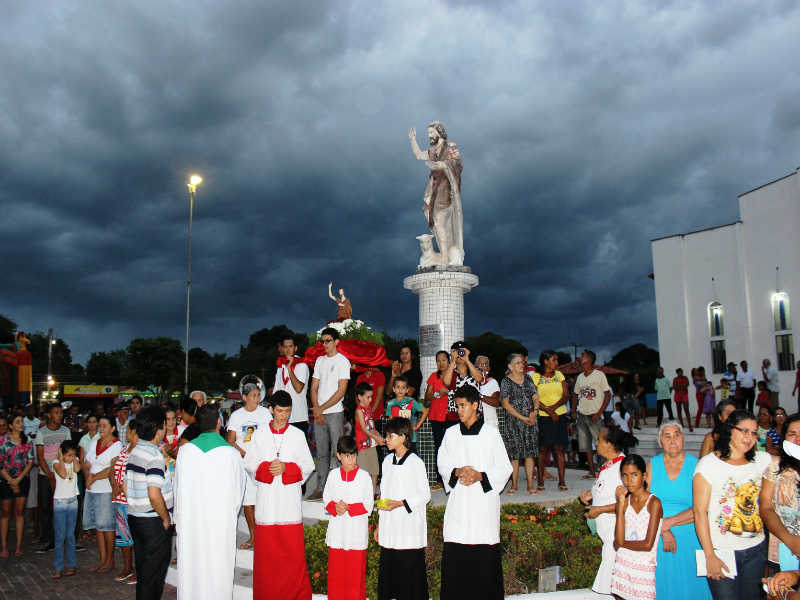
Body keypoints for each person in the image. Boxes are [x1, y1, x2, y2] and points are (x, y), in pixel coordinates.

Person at [437, 385, 512, 600]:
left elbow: (504, 467)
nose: (459, 410)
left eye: (463, 405)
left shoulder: (491, 433)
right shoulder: (450, 434)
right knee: (456, 558)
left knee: (484, 562)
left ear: (475, 406)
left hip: (482, 503)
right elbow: (442, 463)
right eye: (457, 405)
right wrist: (457, 471)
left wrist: (480, 476)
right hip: (460, 503)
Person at [693, 409, 772, 599]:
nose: (749, 437)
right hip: (722, 551)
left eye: (754, 433)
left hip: (756, 549)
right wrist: (710, 555)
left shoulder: (761, 461)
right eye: (744, 430)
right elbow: (699, 512)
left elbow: (787, 461)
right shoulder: (708, 465)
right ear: (730, 430)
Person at [244, 391, 315, 600]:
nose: (284, 416)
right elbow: (249, 464)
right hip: (267, 504)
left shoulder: (297, 435)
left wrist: (286, 468)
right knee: (268, 558)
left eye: (288, 411)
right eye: (280, 411)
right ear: (271, 410)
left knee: (292, 557)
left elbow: (308, 466)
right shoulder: (259, 435)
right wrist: (266, 468)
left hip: (289, 504)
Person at [176, 404, 246, 600]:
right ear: (219, 422)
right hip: (219, 523)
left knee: (192, 568)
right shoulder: (231, 454)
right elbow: (237, 494)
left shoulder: (185, 452)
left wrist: (180, 518)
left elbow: (178, 489)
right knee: (217, 569)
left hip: (192, 522)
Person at [647, 422, 711, 600]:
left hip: (690, 537)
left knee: (690, 588)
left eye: (677, 435)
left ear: (683, 439)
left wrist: (669, 523)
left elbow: (702, 508)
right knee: (663, 586)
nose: (673, 440)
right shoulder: (652, 464)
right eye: (667, 436)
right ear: (660, 442)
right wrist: (663, 529)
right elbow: (645, 502)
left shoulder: (697, 465)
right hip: (658, 536)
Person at [375, 417, 430, 600]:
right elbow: (383, 494)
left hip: (408, 529)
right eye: (387, 435)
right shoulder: (387, 461)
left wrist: (400, 503)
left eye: (391, 436)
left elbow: (425, 495)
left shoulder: (415, 462)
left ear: (403, 437)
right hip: (390, 528)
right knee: (389, 578)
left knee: (410, 580)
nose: (387, 439)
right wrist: (379, 524)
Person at [579, 424, 635, 595]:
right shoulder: (607, 467)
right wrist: (589, 496)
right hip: (607, 536)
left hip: (616, 537)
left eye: (599, 440)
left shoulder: (623, 468)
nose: (596, 443)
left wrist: (600, 510)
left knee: (609, 586)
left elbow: (629, 503)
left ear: (610, 444)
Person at [125, 405, 173, 600]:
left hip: (136, 516)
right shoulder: (154, 456)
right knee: (154, 574)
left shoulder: (136, 451)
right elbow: (154, 494)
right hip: (152, 520)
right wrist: (165, 518)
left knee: (145, 572)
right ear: (158, 428)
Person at [323, 435, 374, 600]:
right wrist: (335, 507)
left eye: (353, 455)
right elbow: (326, 498)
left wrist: (349, 507)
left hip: (356, 534)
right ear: (338, 456)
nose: (350, 459)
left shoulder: (364, 477)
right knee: (336, 577)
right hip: (338, 533)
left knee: (355, 577)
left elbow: (368, 505)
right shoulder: (333, 475)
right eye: (346, 455)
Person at [226, 376, 272, 549]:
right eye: (253, 395)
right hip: (244, 465)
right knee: (248, 503)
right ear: (244, 397)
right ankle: (253, 536)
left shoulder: (265, 413)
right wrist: (245, 454)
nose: (257, 399)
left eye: (258, 395)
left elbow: (271, 435)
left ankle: (265, 534)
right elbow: (230, 440)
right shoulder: (237, 416)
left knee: (264, 500)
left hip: (262, 463)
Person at [610, 454, 663, 599]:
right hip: (623, 565)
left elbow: (647, 544)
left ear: (644, 476)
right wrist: (620, 505)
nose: (629, 480)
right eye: (625, 476)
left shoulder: (654, 503)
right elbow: (617, 541)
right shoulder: (625, 502)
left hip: (643, 568)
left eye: (634, 475)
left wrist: (622, 543)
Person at [308, 327, 351, 501]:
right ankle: (320, 487)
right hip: (320, 413)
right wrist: (316, 408)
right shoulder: (319, 361)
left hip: (334, 413)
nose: (325, 344)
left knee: (337, 451)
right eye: (323, 341)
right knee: (322, 452)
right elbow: (313, 387)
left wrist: (321, 408)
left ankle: (339, 488)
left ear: (336, 342)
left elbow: (341, 391)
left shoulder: (342, 362)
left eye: (328, 341)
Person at [760, 413, 800, 576]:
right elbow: (766, 508)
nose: (798, 439)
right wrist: (790, 540)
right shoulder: (774, 469)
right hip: (783, 549)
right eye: (792, 434)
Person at [83, 414, 122, 573]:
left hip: (105, 489)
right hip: (93, 488)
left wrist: (93, 477)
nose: (101, 429)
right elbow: (87, 462)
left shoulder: (117, 445)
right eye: (100, 426)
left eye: (105, 426)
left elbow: (112, 469)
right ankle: (102, 558)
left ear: (113, 428)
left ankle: (110, 559)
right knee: (99, 526)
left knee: (107, 526)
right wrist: (88, 477)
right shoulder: (95, 442)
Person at [500, 353, 539, 495]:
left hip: (531, 421)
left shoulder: (528, 379)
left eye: (522, 362)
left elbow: (535, 396)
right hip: (514, 423)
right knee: (514, 456)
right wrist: (522, 418)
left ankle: (530, 485)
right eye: (518, 363)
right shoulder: (505, 382)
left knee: (530, 454)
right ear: (510, 366)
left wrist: (535, 411)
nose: (522, 365)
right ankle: (514, 485)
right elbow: (505, 404)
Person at [35, 403, 72, 553]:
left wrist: (62, 473)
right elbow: (40, 456)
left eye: (60, 413)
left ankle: (65, 538)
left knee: (63, 507)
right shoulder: (41, 432)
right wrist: (49, 474)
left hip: (62, 475)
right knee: (46, 508)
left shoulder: (66, 431)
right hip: (45, 475)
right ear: (49, 415)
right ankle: (47, 539)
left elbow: (69, 452)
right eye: (56, 413)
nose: (59, 415)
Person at [573, 349, 611, 479]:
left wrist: (599, 412)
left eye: (583, 355)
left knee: (601, 443)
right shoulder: (580, 377)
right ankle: (591, 471)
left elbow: (607, 394)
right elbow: (575, 395)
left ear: (589, 359)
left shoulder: (599, 375)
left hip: (595, 414)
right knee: (586, 445)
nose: (580, 357)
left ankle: (605, 470)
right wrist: (573, 411)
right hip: (582, 414)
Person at [0, 414, 34, 557]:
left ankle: (19, 546)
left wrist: (18, 479)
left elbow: (30, 461)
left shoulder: (27, 440)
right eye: (17, 421)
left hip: (22, 479)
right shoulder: (3, 441)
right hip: (6, 480)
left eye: (22, 422)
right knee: (6, 512)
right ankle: (4, 547)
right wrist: (11, 480)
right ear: (11, 426)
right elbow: (0, 464)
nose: (21, 424)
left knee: (19, 512)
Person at [109, 419, 137, 585]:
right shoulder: (125, 449)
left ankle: (138, 570)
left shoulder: (138, 451)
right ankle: (127, 567)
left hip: (131, 500)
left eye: (128, 430)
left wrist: (120, 488)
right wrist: (114, 486)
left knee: (135, 536)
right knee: (124, 537)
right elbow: (114, 469)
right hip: (119, 499)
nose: (125, 433)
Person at [51, 440, 81, 578]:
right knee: (60, 536)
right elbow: (63, 474)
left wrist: (74, 459)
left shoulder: (75, 461)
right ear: (62, 454)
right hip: (60, 502)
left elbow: (77, 470)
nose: (71, 458)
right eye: (68, 455)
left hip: (73, 501)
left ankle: (71, 564)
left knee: (70, 535)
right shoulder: (56, 463)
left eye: (73, 455)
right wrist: (61, 458)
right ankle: (58, 567)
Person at [424, 350, 452, 488]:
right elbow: (427, 398)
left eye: (443, 360)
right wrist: (437, 393)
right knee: (439, 448)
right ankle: (440, 480)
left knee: (452, 447)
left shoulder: (454, 375)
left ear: (449, 361)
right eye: (438, 360)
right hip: (435, 417)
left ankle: (453, 479)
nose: (441, 363)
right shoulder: (433, 376)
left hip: (450, 416)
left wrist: (448, 392)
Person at [273, 335, 310, 436]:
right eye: (285, 347)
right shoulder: (280, 367)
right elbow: (276, 392)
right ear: (282, 348)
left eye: (290, 346)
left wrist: (289, 368)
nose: (288, 349)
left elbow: (298, 388)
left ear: (296, 348)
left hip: (298, 417)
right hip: (282, 418)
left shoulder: (302, 364)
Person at [384, 376, 428, 451]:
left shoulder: (411, 401)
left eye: (403, 387)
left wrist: (417, 426)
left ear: (407, 390)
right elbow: (390, 421)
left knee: (412, 459)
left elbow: (425, 411)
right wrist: (389, 436)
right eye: (398, 387)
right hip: (396, 438)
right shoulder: (391, 403)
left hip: (410, 438)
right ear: (394, 389)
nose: (400, 390)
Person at [354, 382, 383, 494]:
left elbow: (371, 427)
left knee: (374, 470)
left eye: (371, 397)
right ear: (360, 397)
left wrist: (379, 437)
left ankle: (373, 493)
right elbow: (364, 429)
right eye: (368, 397)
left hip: (372, 444)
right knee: (363, 472)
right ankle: (361, 495)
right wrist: (376, 437)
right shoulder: (359, 411)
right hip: (362, 446)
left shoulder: (369, 408)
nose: (370, 399)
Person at [475, 355, 500, 429]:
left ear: (488, 368)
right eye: (480, 364)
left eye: (485, 364)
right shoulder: (470, 382)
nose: (482, 366)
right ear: (475, 367)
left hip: (489, 423)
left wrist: (480, 396)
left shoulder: (492, 382)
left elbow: (496, 402)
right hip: (475, 423)